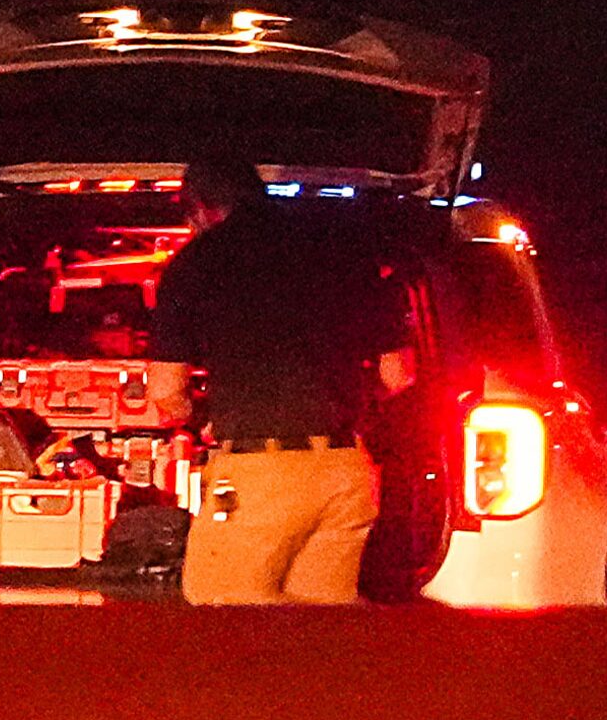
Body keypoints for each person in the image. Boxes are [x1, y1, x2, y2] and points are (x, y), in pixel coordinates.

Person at [150, 155, 415, 604]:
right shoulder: (344, 253)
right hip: (345, 474)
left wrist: (203, 420)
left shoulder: (197, 263)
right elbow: (400, 375)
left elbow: (163, 391)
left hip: (259, 476)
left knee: (222, 614)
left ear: (201, 208)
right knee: (321, 632)